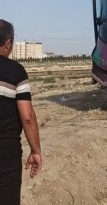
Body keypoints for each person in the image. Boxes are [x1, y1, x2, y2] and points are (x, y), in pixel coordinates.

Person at [0, 19, 42, 204]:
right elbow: (27, 117)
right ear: (8, 43)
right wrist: (35, 151)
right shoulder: (16, 72)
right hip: (5, 154)